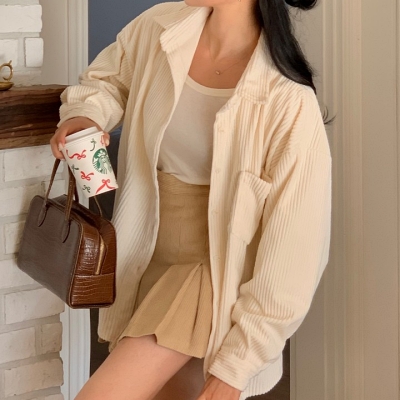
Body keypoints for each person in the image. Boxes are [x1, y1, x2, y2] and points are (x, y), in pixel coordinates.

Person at [50, 0, 332, 399]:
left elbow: (296, 250)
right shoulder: (159, 28)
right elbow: (107, 81)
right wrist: (85, 115)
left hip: (209, 272)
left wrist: (238, 365)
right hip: (146, 250)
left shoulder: (286, 100)